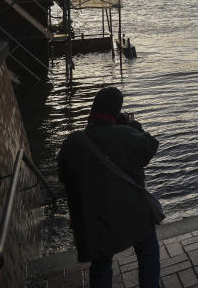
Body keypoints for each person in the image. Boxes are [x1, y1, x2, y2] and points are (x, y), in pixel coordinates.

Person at [58, 88, 161, 288]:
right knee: (148, 252)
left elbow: (64, 176)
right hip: (133, 213)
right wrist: (133, 126)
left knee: (101, 264)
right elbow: (150, 146)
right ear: (116, 111)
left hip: (96, 220)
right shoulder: (126, 134)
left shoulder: (73, 142)